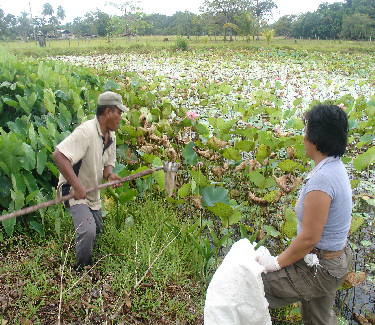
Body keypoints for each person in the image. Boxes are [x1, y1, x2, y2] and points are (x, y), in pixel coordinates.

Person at [255, 104, 352, 324]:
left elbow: (309, 238)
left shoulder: (323, 180)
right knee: (318, 319)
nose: (304, 136)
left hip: (321, 266)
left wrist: (276, 263)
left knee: (253, 286)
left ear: (315, 140)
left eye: (306, 131)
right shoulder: (335, 166)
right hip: (333, 260)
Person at [53, 91, 128, 270]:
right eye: (119, 112)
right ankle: (82, 270)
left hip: (92, 190)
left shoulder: (111, 135)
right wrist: (77, 186)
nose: (121, 117)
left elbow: (107, 165)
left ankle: (84, 245)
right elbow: (59, 155)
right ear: (108, 112)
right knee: (88, 231)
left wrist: (110, 176)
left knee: (98, 229)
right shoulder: (86, 132)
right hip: (73, 189)